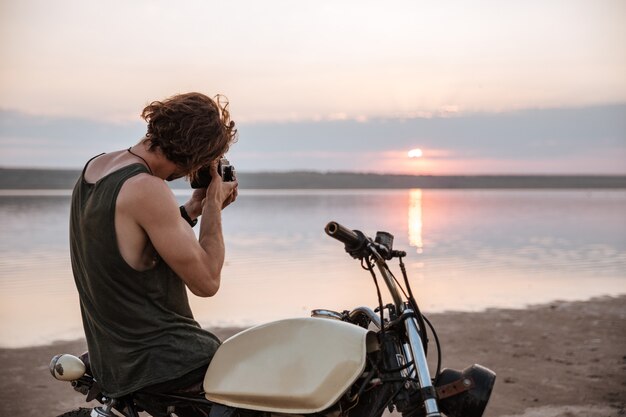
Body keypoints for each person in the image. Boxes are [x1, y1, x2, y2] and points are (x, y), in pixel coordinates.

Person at [69, 92, 239, 410]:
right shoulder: (148, 188)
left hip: (113, 360)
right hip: (167, 360)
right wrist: (214, 206)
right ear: (197, 157)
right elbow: (207, 283)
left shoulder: (96, 167)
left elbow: (130, 244)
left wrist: (192, 210)